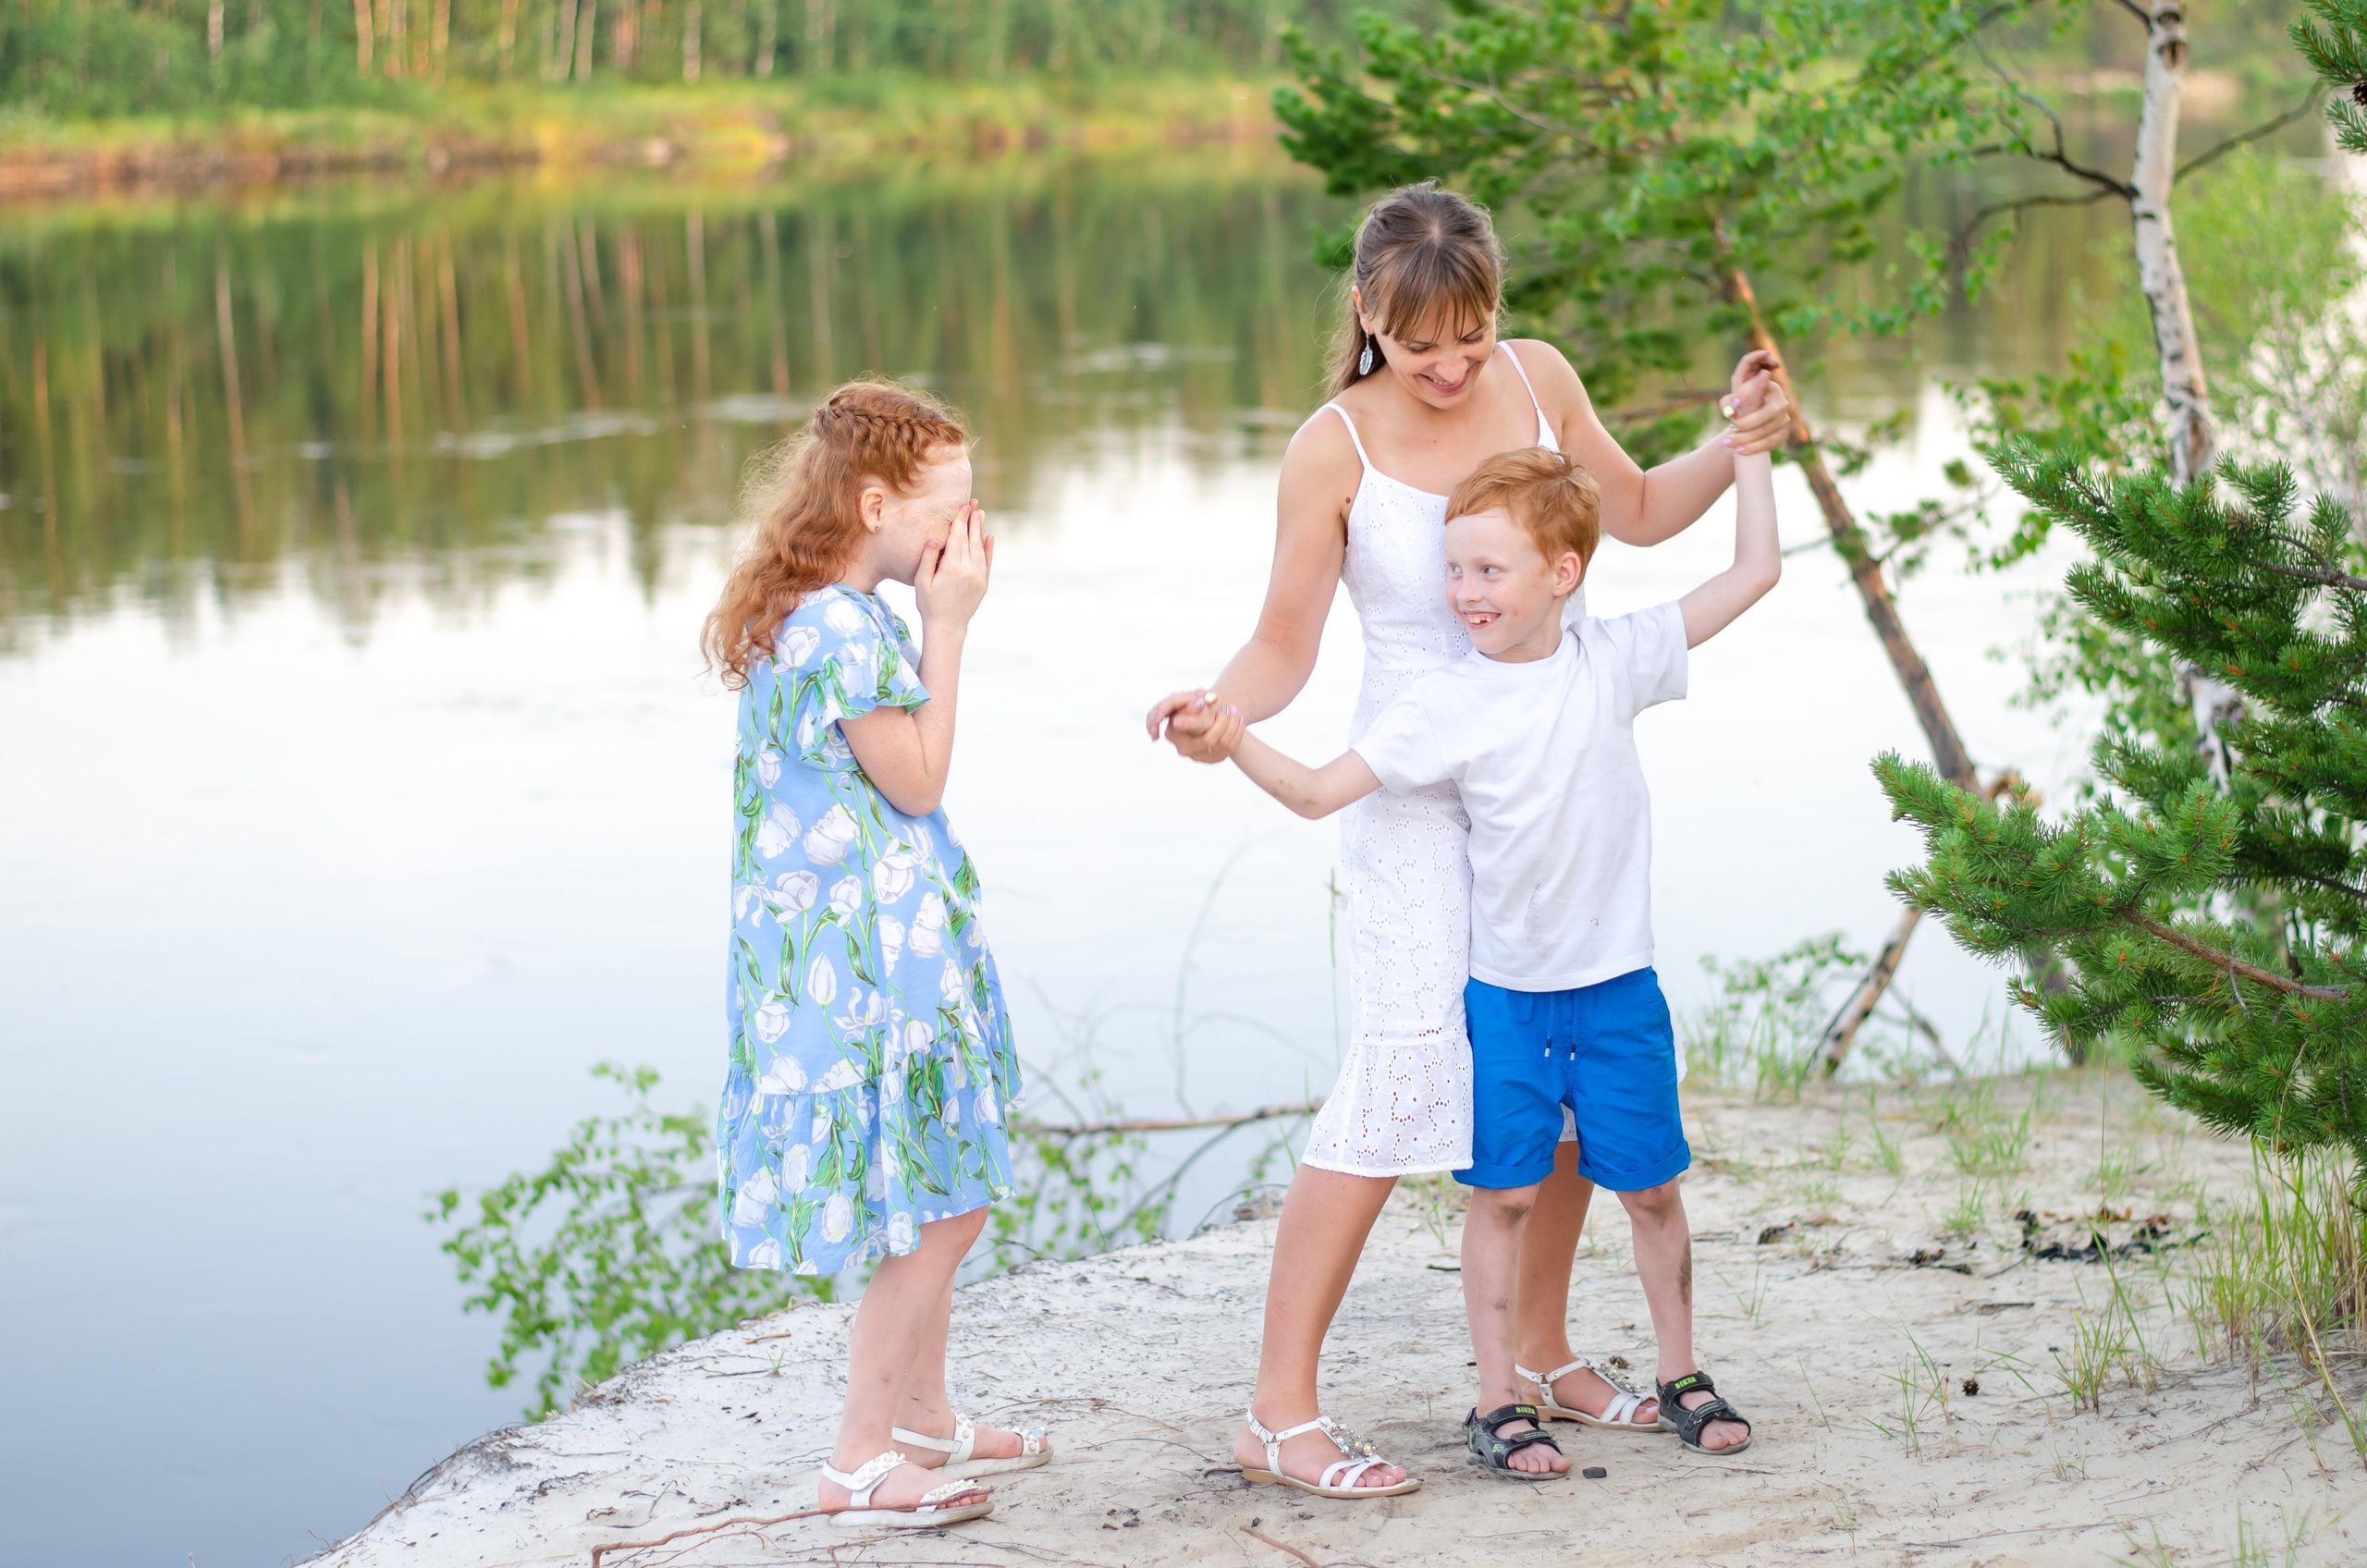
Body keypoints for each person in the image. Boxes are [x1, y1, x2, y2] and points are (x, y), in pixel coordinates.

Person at [1147, 181, 1784, 1493]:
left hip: (1546, 779)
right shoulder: (1331, 446)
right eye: (1416, 343)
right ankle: (1278, 1411)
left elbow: (1638, 510)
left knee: (1562, 1057)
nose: (1448, 367)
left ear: (1500, 309)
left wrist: (1742, 441)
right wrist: (1223, 713)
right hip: (1409, 793)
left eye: (1471, 337)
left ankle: (1540, 1355)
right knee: (1400, 1069)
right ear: (1367, 314)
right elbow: (1283, 642)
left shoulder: (1540, 379)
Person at [704, 381, 1049, 1529]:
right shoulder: (845, 630)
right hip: (866, 977)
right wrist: (951, 625)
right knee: (942, 1211)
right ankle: (858, 1456)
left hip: (865, 956)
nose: (969, 530)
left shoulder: (813, 609)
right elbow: (918, 781)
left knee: (941, 1182)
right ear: (872, 506)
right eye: (950, 508)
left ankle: (925, 1418)